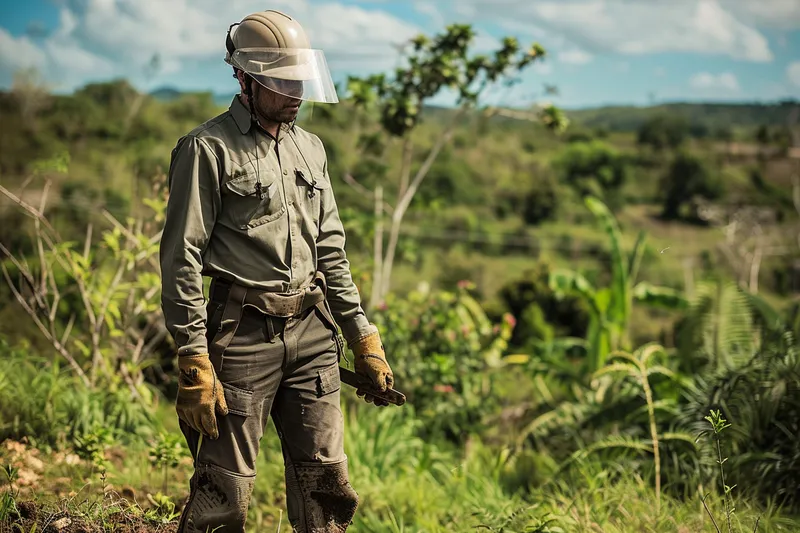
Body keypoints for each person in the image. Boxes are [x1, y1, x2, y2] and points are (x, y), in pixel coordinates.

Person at [158, 9, 395, 532]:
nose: (296, 92)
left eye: (300, 79)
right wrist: (193, 356)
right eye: (281, 79)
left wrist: (363, 338)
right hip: (240, 332)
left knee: (326, 482)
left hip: (312, 332)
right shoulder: (207, 149)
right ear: (244, 77)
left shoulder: (310, 148)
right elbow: (182, 256)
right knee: (225, 489)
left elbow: (331, 249)